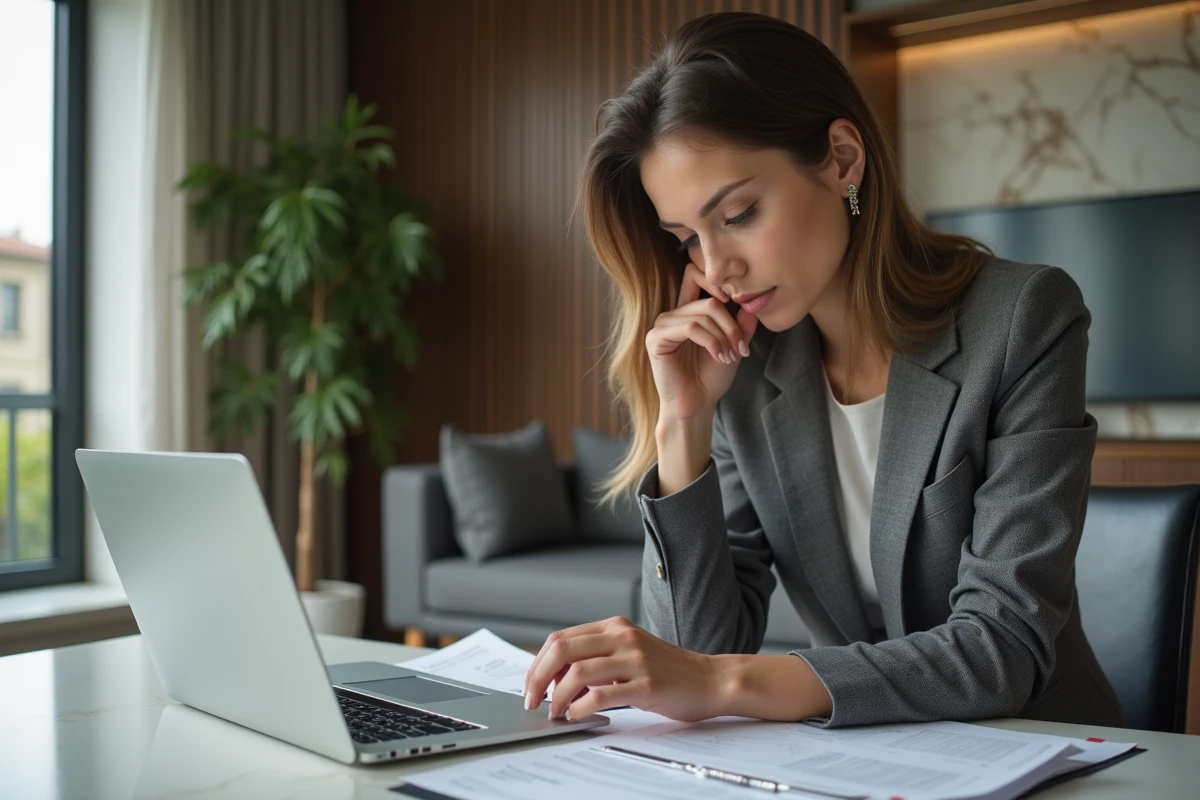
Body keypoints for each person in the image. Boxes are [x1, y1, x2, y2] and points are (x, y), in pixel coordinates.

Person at [522, 11, 1124, 729]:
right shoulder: (741, 367)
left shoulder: (1023, 318)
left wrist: (724, 685)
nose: (716, 270)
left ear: (842, 157)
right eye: (687, 239)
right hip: (854, 761)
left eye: (739, 213)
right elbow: (694, 654)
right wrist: (682, 425)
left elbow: (1005, 646)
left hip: (1039, 749)